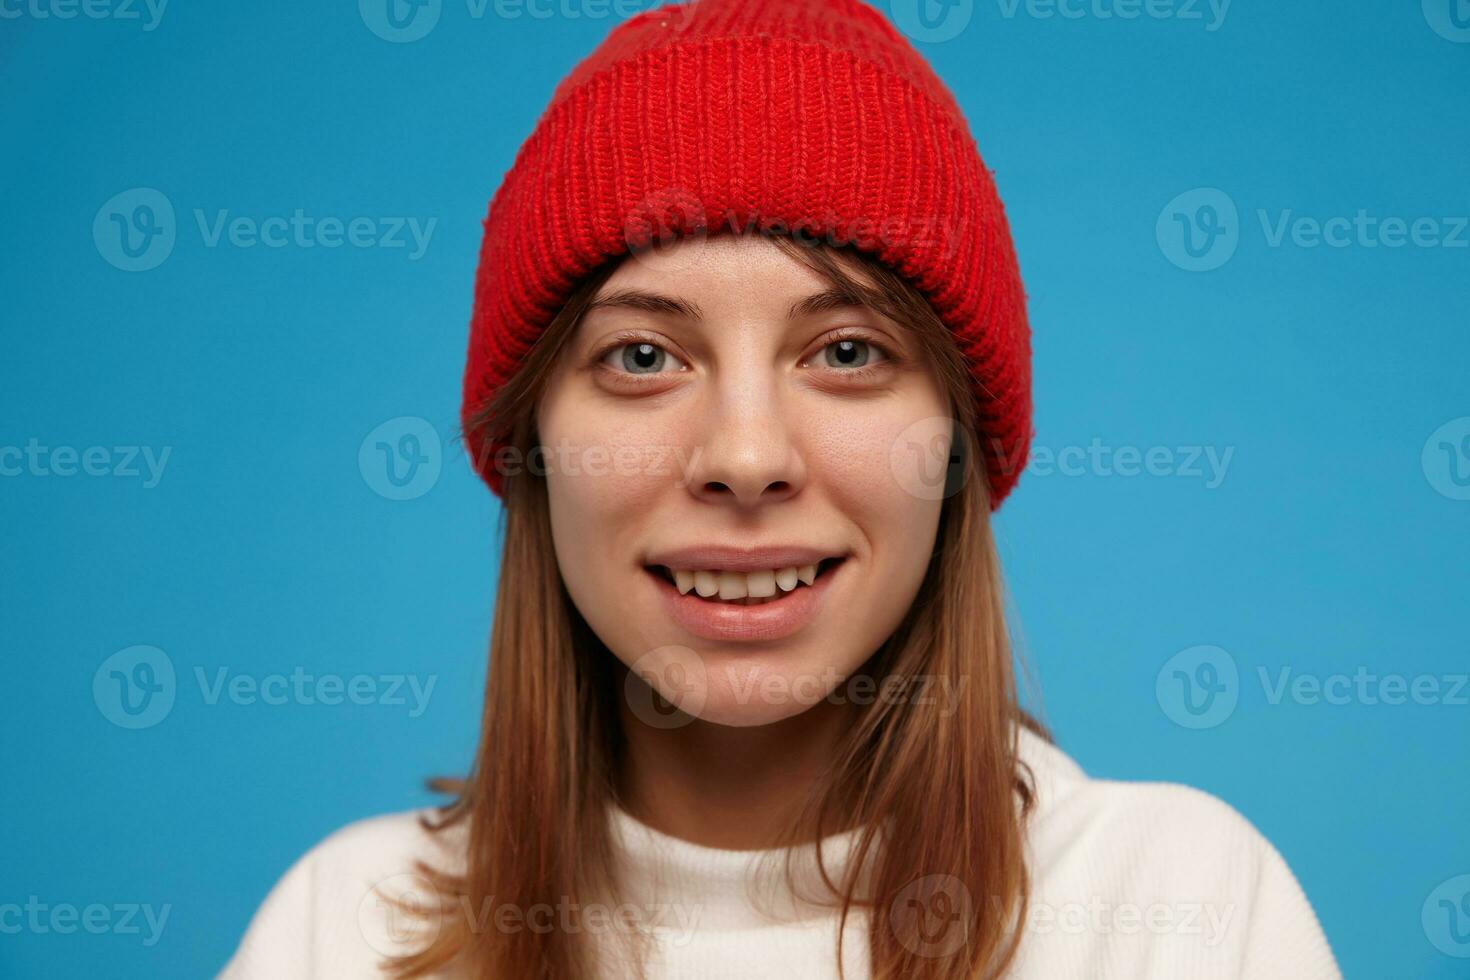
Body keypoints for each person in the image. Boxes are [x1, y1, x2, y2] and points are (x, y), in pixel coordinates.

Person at [221, 0, 1341, 976]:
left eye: (848, 351)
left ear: (957, 443)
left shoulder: (1182, 913)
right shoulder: (341, 930)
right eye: (643, 356)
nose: (746, 456)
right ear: (532, 445)